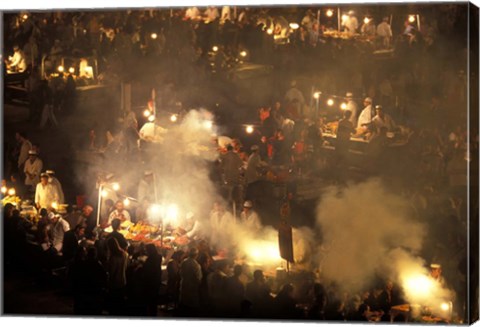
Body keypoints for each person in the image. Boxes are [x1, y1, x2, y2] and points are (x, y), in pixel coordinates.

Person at [105, 237, 129, 316]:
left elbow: (112, 272)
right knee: (120, 301)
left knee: (114, 303)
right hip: (123, 280)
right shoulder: (125, 254)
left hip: (114, 282)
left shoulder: (113, 258)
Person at [179, 247, 203, 315]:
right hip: (192, 289)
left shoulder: (184, 262)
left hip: (184, 285)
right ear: (196, 255)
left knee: (184, 304)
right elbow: (199, 279)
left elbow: (180, 273)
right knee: (191, 308)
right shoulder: (196, 265)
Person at [141, 244, 163, 316]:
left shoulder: (150, 259)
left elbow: (147, 270)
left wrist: (142, 264)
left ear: (150, 250)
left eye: (147, 250)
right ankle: (154, 313)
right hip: (157, 279)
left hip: (150, 281)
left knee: (150, 299)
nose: (146, 251)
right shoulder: (159, 256)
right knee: (154, 298)